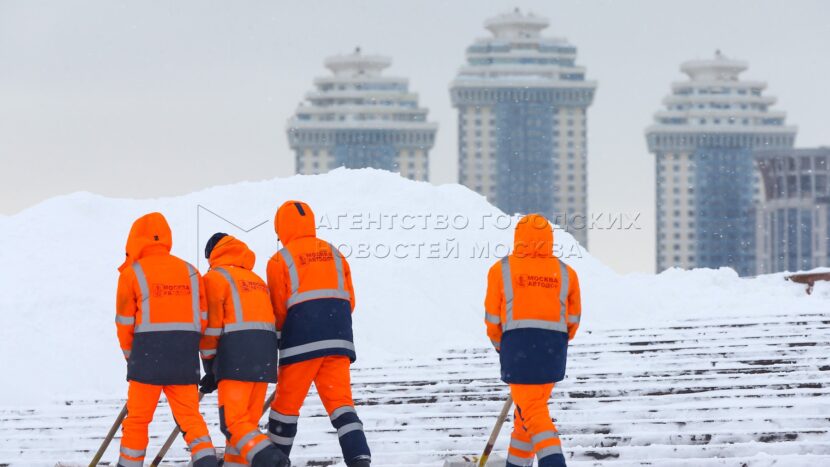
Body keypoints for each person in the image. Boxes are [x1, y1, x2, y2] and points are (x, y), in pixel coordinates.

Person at [266, 201, 371, 467]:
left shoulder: (280, 259)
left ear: (282, 228)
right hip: (338, 339)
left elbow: (278, 310)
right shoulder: (334, 253)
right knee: (342, 405)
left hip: (300, 344)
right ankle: (359, 460)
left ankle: (276, 462)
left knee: (285, 410)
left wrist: (280, 339)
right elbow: (350, 299)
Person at [114, 212, 218, 467]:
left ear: (135, 240)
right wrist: (188, 343)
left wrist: (132, 358)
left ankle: (129, 464)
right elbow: (203, 317)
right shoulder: (190, 272)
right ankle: (205, 460)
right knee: (190, 417)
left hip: (146, 357)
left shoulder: (132, 274)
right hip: (184, 355)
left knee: (138, 420)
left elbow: (124, 323)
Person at [484, 214, 582, 467]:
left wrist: (499, 345)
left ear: (518, 237)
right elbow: (573, 317)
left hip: (518, 349)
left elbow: (493, 317)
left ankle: (554, 462)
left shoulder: (501, 269)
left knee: (534, 412)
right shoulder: (566, 272)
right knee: (525, 415)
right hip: (553, 352)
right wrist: (557, 342)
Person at [199, 233, 289, 467]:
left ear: (212, 254)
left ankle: (273, 460)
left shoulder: (215, 278)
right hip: (264, 357)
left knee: (232, 424)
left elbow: (211, 328)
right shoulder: (256, 280)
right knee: (244, 428)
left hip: (235, 357)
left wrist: (209, 366)